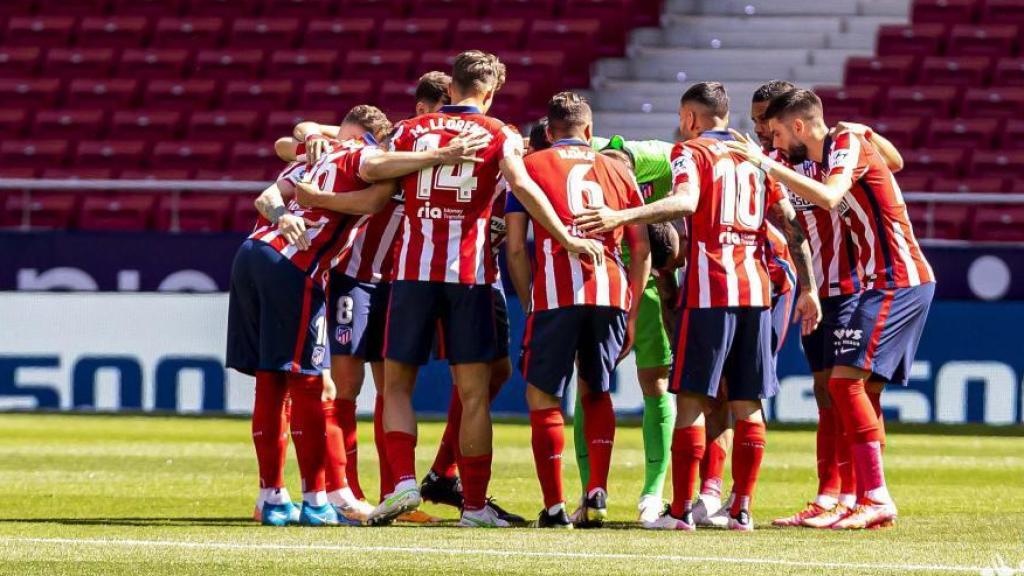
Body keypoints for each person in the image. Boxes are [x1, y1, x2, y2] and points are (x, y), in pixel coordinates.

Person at [359, 50, 603, 528]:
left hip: (412, 273)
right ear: (489, 94)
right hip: (469, 276)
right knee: (473, 394)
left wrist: (432, 156)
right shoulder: (501, 134)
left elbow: (370, 168)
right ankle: (473, 506)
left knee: (396, 386)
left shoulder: (411, 130)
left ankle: (404, 482)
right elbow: (522, 184)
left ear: (449, 89)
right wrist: (565, 235)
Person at [574, 81, 821, 531]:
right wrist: (809, 287)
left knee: (690, 400)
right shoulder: (755, 157)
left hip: (712, 290)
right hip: (757, 291)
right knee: (748, 403)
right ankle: (741, 508)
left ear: (689, 119)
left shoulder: (689, 153)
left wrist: (622, 217)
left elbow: (687, 202)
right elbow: (790, 223)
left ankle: (681, 509)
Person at [726, 88, 935, 530]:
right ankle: (848, 497)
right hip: (865, 281)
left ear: (794, 124)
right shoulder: (808, 156)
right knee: (850, 392)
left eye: (772, 124)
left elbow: (842, 188)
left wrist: (866, 133)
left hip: (884, 281)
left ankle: (869, 497)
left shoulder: (837, 148)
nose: (766, 134)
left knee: (844, 388)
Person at [227, 105, 395, 527]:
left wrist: (305, 142)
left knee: (274, 380)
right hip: (301, 268)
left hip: (252, 253)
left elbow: (281, 160)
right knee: (310, 384)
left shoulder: (321, 154)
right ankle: (319, 499)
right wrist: (439, 157)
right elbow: (373, 197)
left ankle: (274, 497)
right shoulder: (360, 157)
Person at [505, 92, 651, 529]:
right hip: (610, 293)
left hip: (555, 295)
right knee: (597, 390)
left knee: (543, 395)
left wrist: (530, 300)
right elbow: (641, 246)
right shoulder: (618, 168)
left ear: (548, 132)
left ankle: (553, 508)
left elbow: (515, 248)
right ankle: (596, 492)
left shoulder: (531, 166)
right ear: (589, 130)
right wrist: (633, 306)